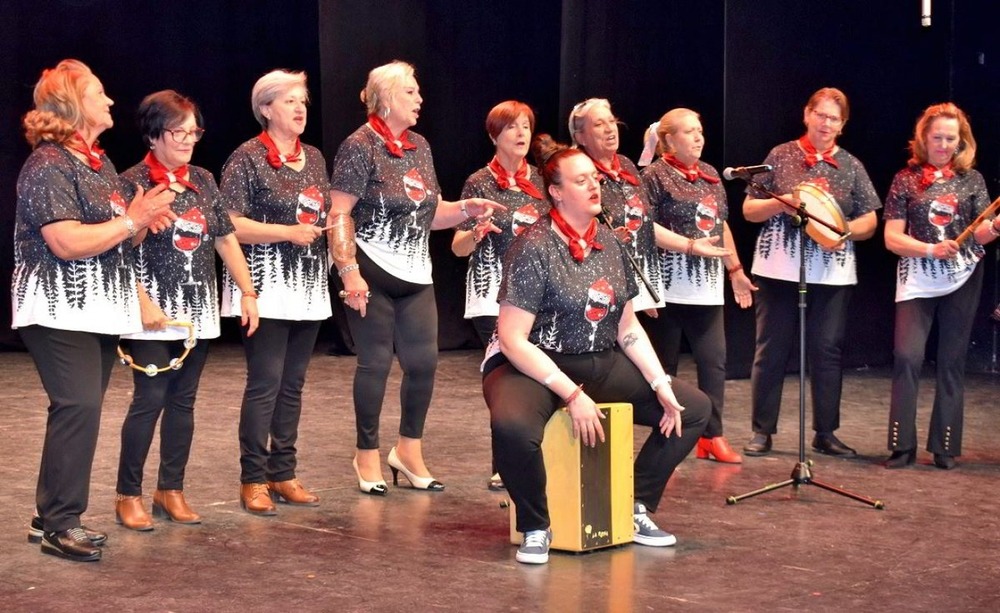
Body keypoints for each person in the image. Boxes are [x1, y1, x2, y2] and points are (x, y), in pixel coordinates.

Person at [483, 137, 710, 565]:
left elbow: (627, 328)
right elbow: (513, 340)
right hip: (528, 365)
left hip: (595, 358)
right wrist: (572, 394)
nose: (594, 187)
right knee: (513, 427)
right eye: (581, 180)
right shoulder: (533, 246)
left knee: (693, 407)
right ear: (555, 192)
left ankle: (636, 504)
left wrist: (660, 383)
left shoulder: (610, 242)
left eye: (595, 179)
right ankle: (536, 524)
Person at [13, 59, 175, 561]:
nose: (109, 101)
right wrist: (132, 221)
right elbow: (64, 241)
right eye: (99, 93)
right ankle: (63, 523)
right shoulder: (47, 164)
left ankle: (49, 517)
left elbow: (116, 237)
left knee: (76, 410)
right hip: (58, 308)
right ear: (71, 104)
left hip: (97, 310)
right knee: (78, 405)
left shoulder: (97, 164)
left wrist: (146, 220)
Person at [329, 60, 503, 496]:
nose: (420, 99)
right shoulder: (359, 145)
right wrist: (349, 272)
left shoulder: (419, 147)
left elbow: (431, 213)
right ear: (386, 98)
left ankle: (407, 451)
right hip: (370, 265)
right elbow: (339, 213)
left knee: (423, 364)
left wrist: (468, 209)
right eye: (411, 92)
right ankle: (365, 454)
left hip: (415, 271)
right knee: (375, 363)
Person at [113, 90, 260, 530]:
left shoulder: (203, 179)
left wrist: (247, 292)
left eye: (193, 131)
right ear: (154, 135)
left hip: (196, 310)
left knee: (184, 401)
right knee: (150, 399)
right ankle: (128, 494)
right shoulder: (131, 181)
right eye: (178, 131)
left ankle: (170, 489)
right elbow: (117, 248)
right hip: (151, 312)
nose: (188, 139)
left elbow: (224, 237)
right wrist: (141, 224)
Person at [741, 87, 881, 457]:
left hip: (832, 270)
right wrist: (783, 205)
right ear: (807, 114)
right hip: (780, 267)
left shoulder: (851, 165)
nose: (826, 123)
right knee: (771, 348)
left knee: (827, 349)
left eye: (834, 118)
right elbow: (749, 210)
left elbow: (870, 217)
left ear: (843, 124)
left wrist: (843, 230)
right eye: (820, 114)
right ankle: (762, 431)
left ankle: (826, 432)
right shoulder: (781, 155)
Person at [220, 70, 331, 515]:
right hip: (263, 285)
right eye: (288, 101)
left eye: (302, 100)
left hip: (306, 286)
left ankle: (282, 473)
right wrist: (286, 232)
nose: (300, 108)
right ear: (265, 108)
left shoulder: (317, 158)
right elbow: (228, 226)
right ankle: (252, 479)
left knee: (293, 385)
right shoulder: (246, 158)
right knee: (265, 383)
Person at [882, 102, 997, 470]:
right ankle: (902, 445)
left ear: (961, 141)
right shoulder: (905, 179)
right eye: (938, 137)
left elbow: (979, 234)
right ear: (924, 138)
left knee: (951, 361)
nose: (944, 145)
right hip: (917, 276)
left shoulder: (973, 181)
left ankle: (945, 446)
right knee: (907, 357)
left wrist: (995, 228)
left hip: (963, 277)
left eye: (951, 138)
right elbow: (891, 238)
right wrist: (930, 248)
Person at [640, 108, 757, 464]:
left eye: (700, 130)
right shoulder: (654, 176)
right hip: (667, 287)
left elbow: (720, 225)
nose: (698, 137)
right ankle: (665, 439)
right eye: (689, 131)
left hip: (705, 289)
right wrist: (644, 289)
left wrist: (735, 269)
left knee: (714, 363)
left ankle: (712, 436)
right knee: (664, 368)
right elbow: (644, 231)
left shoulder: (709, 175)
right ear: (669, 140)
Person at [452, 100, 547, 490]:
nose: (521, 133)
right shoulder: (479, 183)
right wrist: (476, 234)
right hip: (490, 292)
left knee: (534, 377)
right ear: (494, 135)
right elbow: (456, 246)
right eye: (512, 127)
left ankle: (531, 454)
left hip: (539, 293)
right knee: (507, 376)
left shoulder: (544, 180)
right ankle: (504, 463)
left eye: (526, 126)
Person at [567, 99, 728, 316]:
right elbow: (566, 227)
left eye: (612, 121)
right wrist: (604, 237)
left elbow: (645, 226)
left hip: (637, 287)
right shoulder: (575, 169)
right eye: (598, 124)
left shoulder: (626, 165)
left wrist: (690, 246)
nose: (609, 129)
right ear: (580, 137)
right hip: (596, 286)